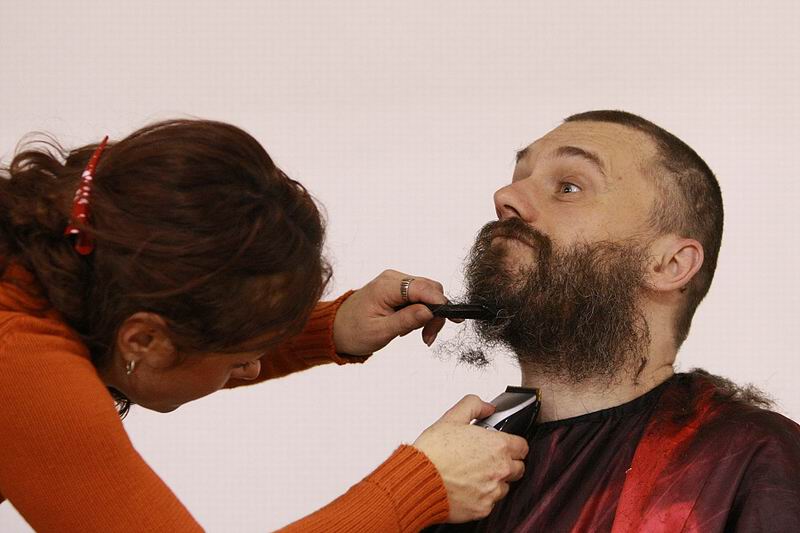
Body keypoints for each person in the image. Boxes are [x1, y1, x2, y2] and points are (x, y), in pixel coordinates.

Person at [0, 119, 529, 532]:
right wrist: (419, 487)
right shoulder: (19, 367)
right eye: (240, 358)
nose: (253, 369)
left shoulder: (49, 283)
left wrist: (326, 329)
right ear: (143, 339)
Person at [426, 111, 800, 532]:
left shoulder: (749, 463)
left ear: (670, 264)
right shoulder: (455, 473)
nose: (505, 196)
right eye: (518, 177)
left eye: (568, 187)